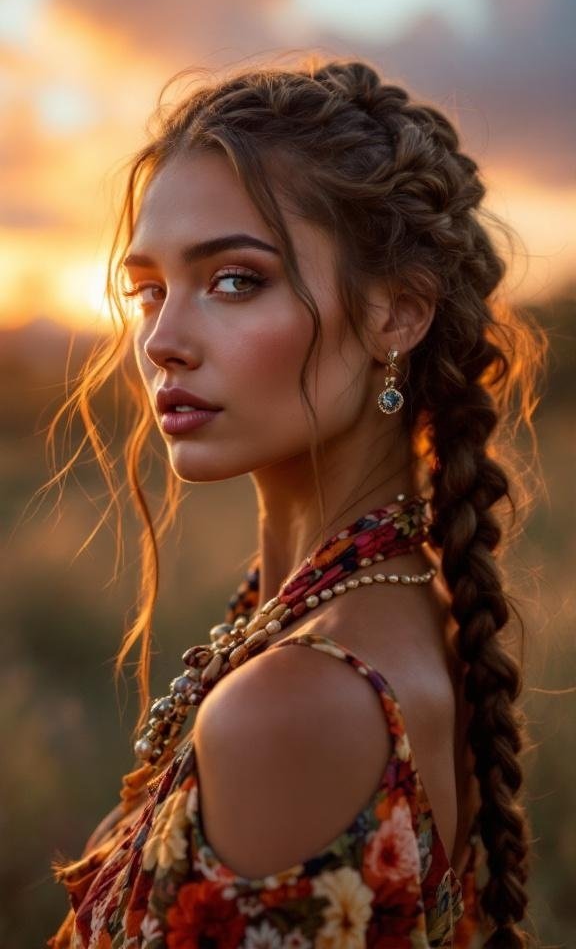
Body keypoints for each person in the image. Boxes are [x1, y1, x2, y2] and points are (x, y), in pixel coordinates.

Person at [45, 55, 547, 948]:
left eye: (236, 280)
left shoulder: (302, 701)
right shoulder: (386, 608)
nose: (162, 342)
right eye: (148, 290)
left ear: (397, 314)